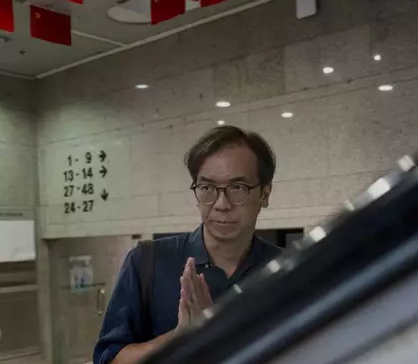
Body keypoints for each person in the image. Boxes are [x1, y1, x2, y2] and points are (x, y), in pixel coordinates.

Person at [93, 125, 283, 364]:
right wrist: (181, 337)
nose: (221, 204)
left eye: (238, 188)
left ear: (265, 194)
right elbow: (109, 359)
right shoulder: (148, 262)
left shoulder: (288, 268)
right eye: (207, 188)